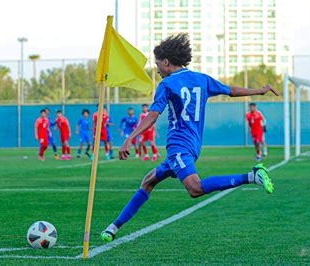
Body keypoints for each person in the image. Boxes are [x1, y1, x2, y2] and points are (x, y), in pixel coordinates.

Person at [101, 33, 278, 242]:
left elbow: (153, 115)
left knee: (195, 188)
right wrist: (259, 90)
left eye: (158, 64)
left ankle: (251, 176)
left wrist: (130, 138)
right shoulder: (202, 79)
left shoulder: (166, 85)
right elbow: (230, 90)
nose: (157, 70)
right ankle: (114, 227)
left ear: (166, 61)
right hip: (193, 146)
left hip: (179, 146)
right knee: (148, 181)